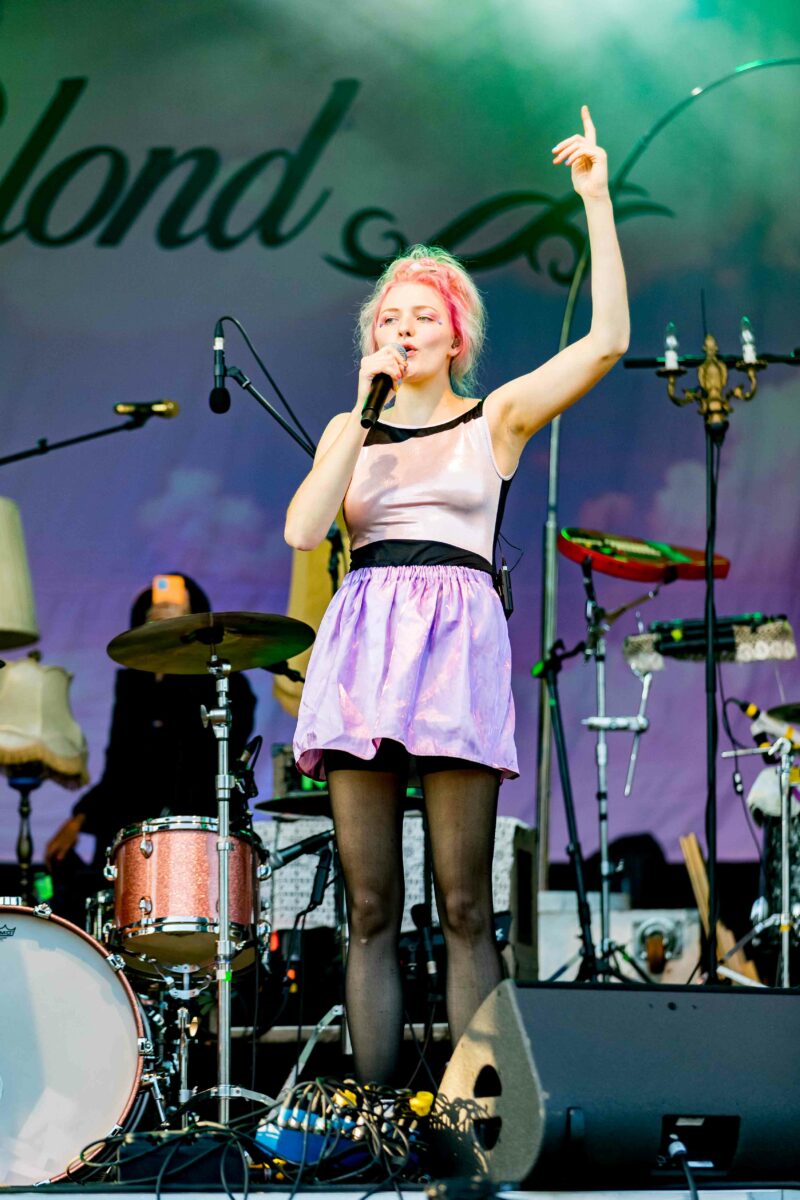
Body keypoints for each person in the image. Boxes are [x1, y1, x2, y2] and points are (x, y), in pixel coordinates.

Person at [285, 106, 629, 1083]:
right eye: (387, 319)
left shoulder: (495, 419)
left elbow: (607, 341)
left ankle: (478, 1120)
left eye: (420, 317)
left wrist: (596, 201)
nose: (402, 330)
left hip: (454, 647)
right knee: (368, 907)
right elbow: (304, 530)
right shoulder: (347, 428)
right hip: (362, 651)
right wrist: (360, 416)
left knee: (464, 903)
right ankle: (376, 1117)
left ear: (455, 335)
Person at [46, 574, 257, 925]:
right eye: (153, 615)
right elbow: (120, 765)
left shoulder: (226, 684)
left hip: (194, 829)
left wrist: (175, 676)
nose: (161, 620)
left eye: (173, 612)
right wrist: (79, 818)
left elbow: (202, 759)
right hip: (132, 829)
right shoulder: (133, 684)